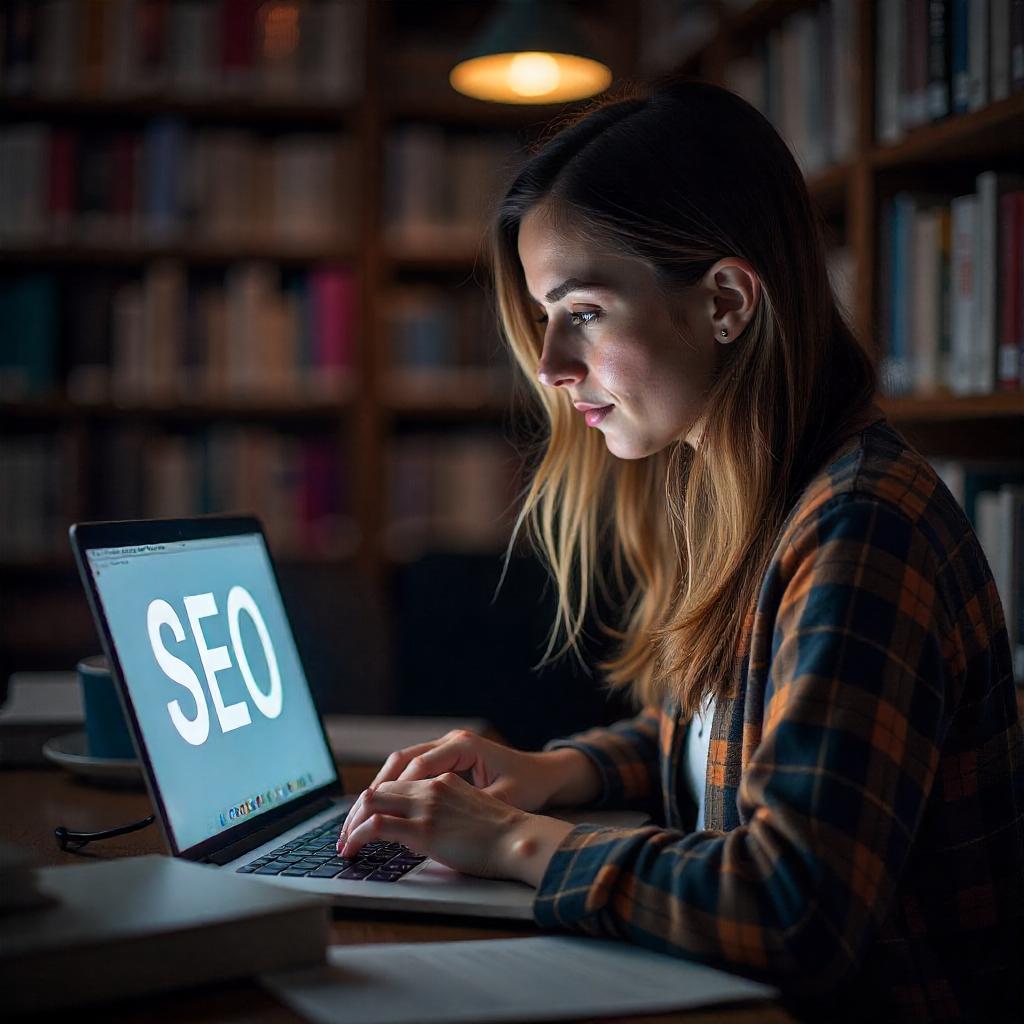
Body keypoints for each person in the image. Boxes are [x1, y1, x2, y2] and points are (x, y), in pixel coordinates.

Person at [336, 80, 1024, 1022]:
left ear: (727, 302)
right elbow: (718, 734)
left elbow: (794, 907)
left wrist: (510, 841)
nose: (548, 363)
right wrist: (553, 770)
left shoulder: (861, 529)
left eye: (581, 311)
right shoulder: (764, 494)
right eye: (544, 316)